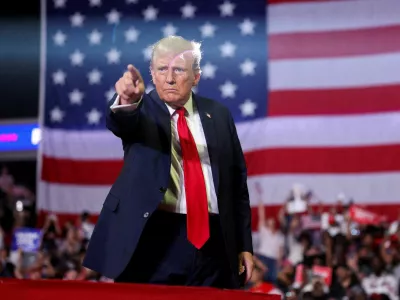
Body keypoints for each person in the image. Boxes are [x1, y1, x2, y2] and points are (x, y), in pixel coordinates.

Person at [83, 36, 254, 289]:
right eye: (162, 69)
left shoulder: (218, 115)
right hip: (155, 238)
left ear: (196, 76)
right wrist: (128, 101)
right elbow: (122, 122)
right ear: (152, 74)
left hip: (215, 239)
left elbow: (237, 185)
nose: (169, 78)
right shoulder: (142, 108)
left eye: (179, 70)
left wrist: (244, 246)